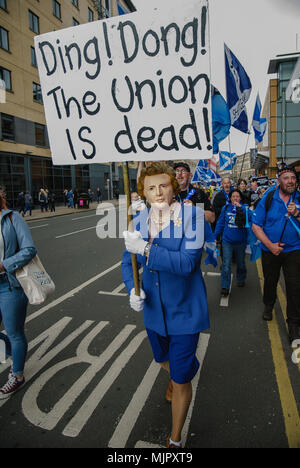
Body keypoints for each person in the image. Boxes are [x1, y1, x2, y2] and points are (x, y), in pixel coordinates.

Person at [122, 162, 209, 449]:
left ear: (173, 186)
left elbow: (187, 264)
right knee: (162, 361)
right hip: (153, 313)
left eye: (163, 185)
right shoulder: (138, 221)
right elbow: (127, 263)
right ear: (143, 193)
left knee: (181, 379)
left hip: (185, 311)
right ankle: (178, 371)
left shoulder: (193, 217)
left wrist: (146, 249)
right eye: (151, 187)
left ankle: (175, 440)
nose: (158, 192)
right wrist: (132, 288)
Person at [252, 165, 300, 344]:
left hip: (294, 250)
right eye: (286, 178)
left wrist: (297, 213)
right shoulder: (268, 197)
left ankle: (294, 325)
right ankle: (268, 304)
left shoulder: (299, 197)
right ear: (279, 180)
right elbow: (256, 226)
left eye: (293, 178)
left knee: (295, 288)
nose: (290, 181)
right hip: (270, 250)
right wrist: (271, 246)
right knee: (270, 281)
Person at [0, 187, 37, 398]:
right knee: (13, 341)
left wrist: (4, 265)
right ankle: (14, 355)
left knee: (14, 332)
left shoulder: (12, 219)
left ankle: (17, 375)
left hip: (9, 284)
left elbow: (29, 249)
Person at [214, 189, 249, 297]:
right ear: (230, 198)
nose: (235, 198)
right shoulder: (225, 208)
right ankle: (225, 286)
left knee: (241, 263)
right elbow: (220, 223)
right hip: (227, 241)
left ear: (240, 198)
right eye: (233, 196)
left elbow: (250, 220)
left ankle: (241, 278)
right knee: (226, 264)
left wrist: (241, 209)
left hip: (240, 242)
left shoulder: (245, 208)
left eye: (237, 196)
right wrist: (214, 236)